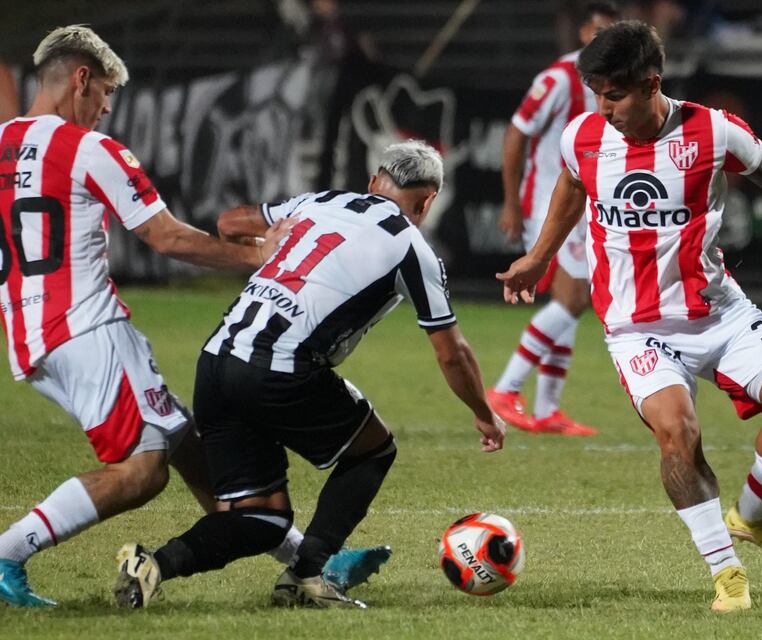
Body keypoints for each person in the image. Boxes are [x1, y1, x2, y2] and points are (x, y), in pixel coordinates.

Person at [497, 21, 762, 612]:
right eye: (597, 93)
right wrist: (537, 257)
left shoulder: (712, 131)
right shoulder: (583, 135)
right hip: (637, 328)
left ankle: (756, 518)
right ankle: (726, 573)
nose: (603, 108)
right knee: (678, 434)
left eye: (615, 95)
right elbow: (572, 187)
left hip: (718, 311)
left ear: (651, 83)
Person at [113, 140, 506, 609]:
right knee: (373, 449)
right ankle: (307, 575)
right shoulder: (411, 247)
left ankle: (152, 564)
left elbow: (229, 222)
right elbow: (452, 353)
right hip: (279, 369)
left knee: (262, 519)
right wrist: (484, 413)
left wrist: (268, 246)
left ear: (373, 181)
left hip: (216, 361)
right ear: (426, 202)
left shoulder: (320, 201)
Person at [0, 25, 307, 608]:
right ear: (81, 79)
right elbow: (165, 237)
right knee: (143, 471)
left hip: (27, 337)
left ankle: (307, 557)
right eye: (106, 92)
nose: (107, 107)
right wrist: (258, 257)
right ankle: (8, 550)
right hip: (87, 328)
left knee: (184, 439)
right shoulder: (89, 149)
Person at [489, 1, 619, 436]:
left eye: (612, 32)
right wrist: (511, 202)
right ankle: (505, 389)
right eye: (599, 30)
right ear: (584, 33)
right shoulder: (559, 78)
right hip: (549, 202)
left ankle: (546, 409)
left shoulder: (611, 82)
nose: (605, 38)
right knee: (575, 297)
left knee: (569, 301)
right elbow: (515, 134)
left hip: (580, 203)